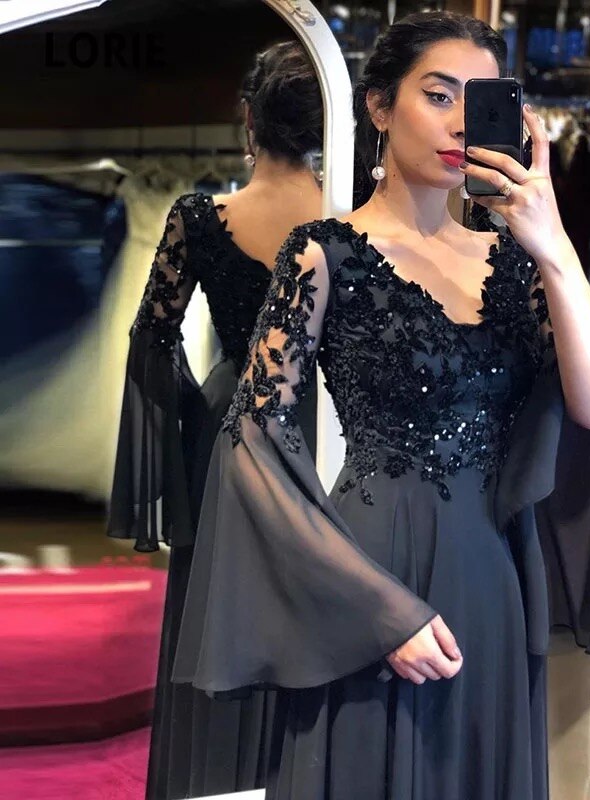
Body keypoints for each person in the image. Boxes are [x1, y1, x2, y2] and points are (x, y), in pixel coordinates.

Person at [174, 11, 590, 799]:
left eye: (481, 100)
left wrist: (555, 247)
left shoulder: (517, 265)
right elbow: (252, 442)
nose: (461, 122)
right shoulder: (323, 253)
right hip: (370, 576)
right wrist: (372, 609)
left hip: (491, 582)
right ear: (379, 106)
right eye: (438, 95)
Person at [107, 41, 324, 799]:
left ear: (247, 121)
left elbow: (151, 339)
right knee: (313, 606)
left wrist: (198, 416)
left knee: (214, 613)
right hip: (325, 427)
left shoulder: (200, 218)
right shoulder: (350, 223)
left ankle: (208, 781)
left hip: (226, 432)